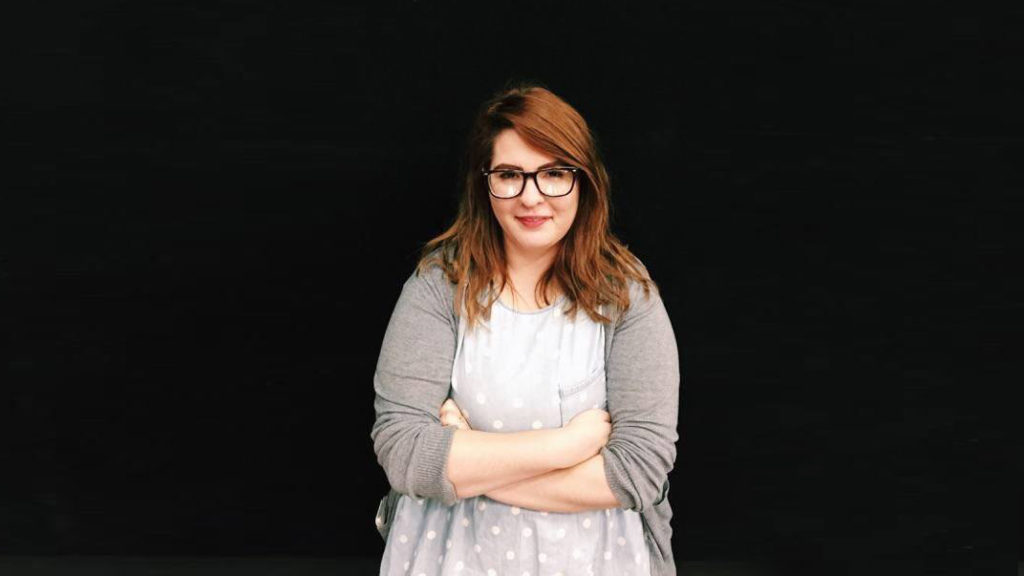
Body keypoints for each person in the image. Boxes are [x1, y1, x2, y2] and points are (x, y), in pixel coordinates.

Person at [370, 81, 680, 576]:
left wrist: (466, 459)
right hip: (449, 557)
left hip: (595, 560)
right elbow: (404, 452)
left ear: (584, 181)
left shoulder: (627, 295)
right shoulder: (439, 284)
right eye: (510, 175)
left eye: (554, 173)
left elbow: (636, 473)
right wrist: (568, 446)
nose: (531, 197)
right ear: (483, 184)